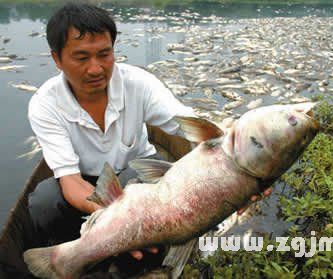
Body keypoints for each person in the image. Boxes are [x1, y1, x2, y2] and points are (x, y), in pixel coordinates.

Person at [27, 2, 272, 275]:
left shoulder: (138, 83)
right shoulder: (44, 104)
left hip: (140, 177)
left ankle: (133, 260)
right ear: (57, 59)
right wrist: (118, 220)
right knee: (44, 201)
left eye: (104, 54)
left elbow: (186, 124)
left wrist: (242, 162)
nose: (96, 69)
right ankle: (72, 254)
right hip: (85, 185)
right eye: (82, 58)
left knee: (137, 178)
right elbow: (71, 182)